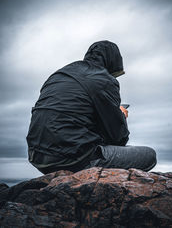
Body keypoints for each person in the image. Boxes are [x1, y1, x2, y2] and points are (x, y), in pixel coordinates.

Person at [26, 40, 157, 174]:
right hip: (74, 160)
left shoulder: (60, 74)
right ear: (114, 61)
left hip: (38, 158)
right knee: (149, 155)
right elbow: (118, 138)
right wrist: (121, 115)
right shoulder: (104, 80)